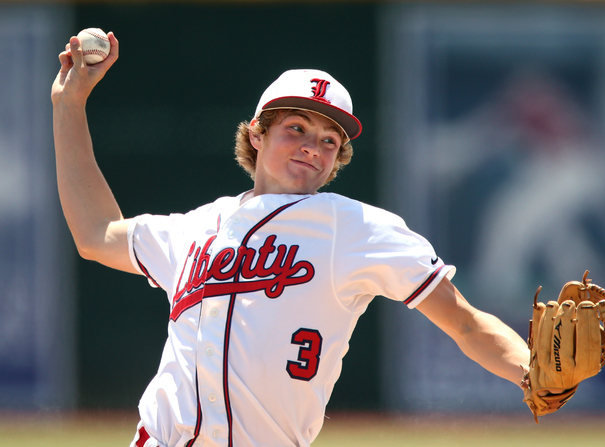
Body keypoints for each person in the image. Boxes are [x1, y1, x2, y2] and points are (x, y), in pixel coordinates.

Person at [52, 32, 530, 447]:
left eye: (329, 140)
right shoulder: (195, 227)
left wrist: (530, 372)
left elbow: (464, 322)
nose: (311, 146)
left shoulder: (354, 228)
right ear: (257, 134)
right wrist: (68, 106)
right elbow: (96, 234)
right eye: (296, 128)